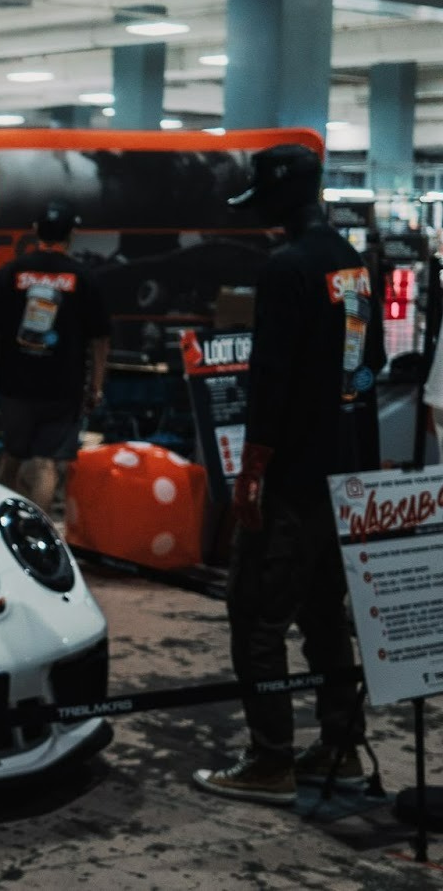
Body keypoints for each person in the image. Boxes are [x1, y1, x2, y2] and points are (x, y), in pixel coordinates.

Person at [193, 143, 384, 805]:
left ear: (278, 197)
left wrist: (251, 477)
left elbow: (270, 384)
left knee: (255, 616)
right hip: (344, 477)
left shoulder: (286, 268)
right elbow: (368, 368)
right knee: (324, 612)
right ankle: (341, 746)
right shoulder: (353, 265)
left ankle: (270, 759)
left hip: (293, 481)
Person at [0, 200, 110, 509]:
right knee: (46, 465)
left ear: (35, 231)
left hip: (15, 385)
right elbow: (100, 339)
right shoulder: (83, 278)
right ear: (71, 234)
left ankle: (1, 525)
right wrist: (96, 386)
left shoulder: (11, 273)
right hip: (63, 388)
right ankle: (39, 529)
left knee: (11, 457)